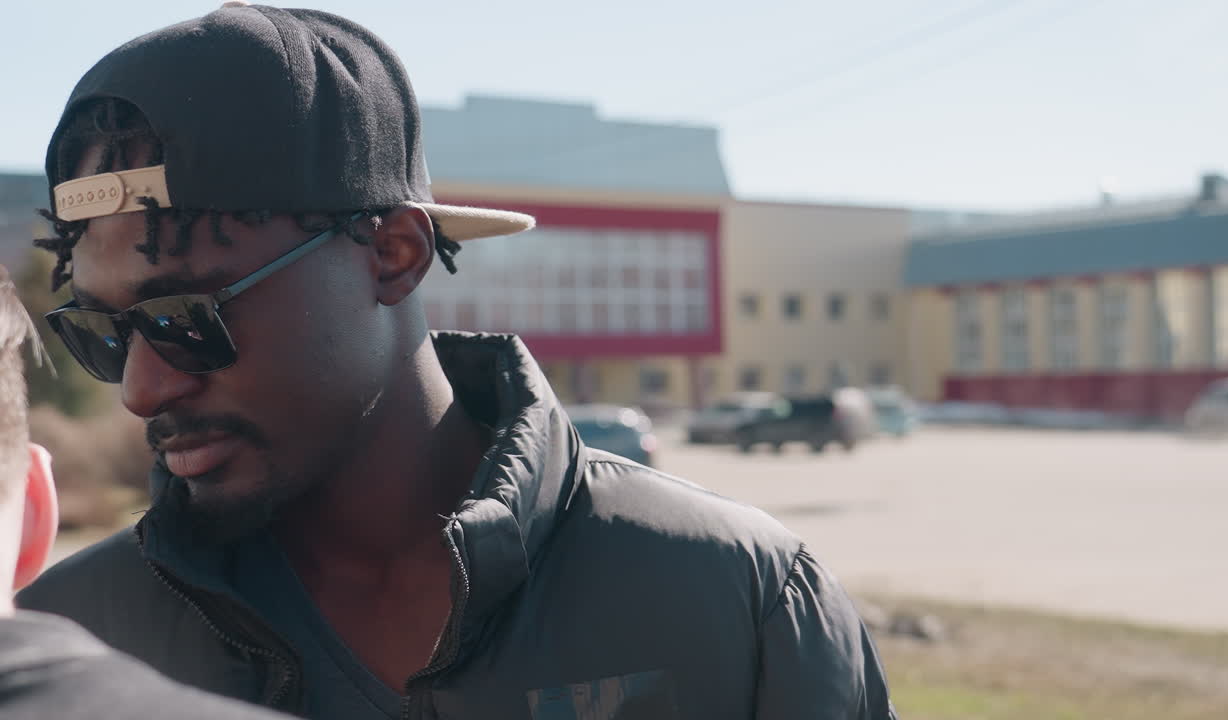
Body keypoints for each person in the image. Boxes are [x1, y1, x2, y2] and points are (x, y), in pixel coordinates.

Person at [18, 5, 897, 719]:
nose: (142, 388)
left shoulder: (736, 596)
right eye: (102, 333)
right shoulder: (75, 640)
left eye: (184, 317)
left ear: (392, 253)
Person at [0, 268, 292, 719]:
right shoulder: (88, 606)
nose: (134, 395)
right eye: (99, 335)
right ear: (35, 512)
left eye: (184, 319)